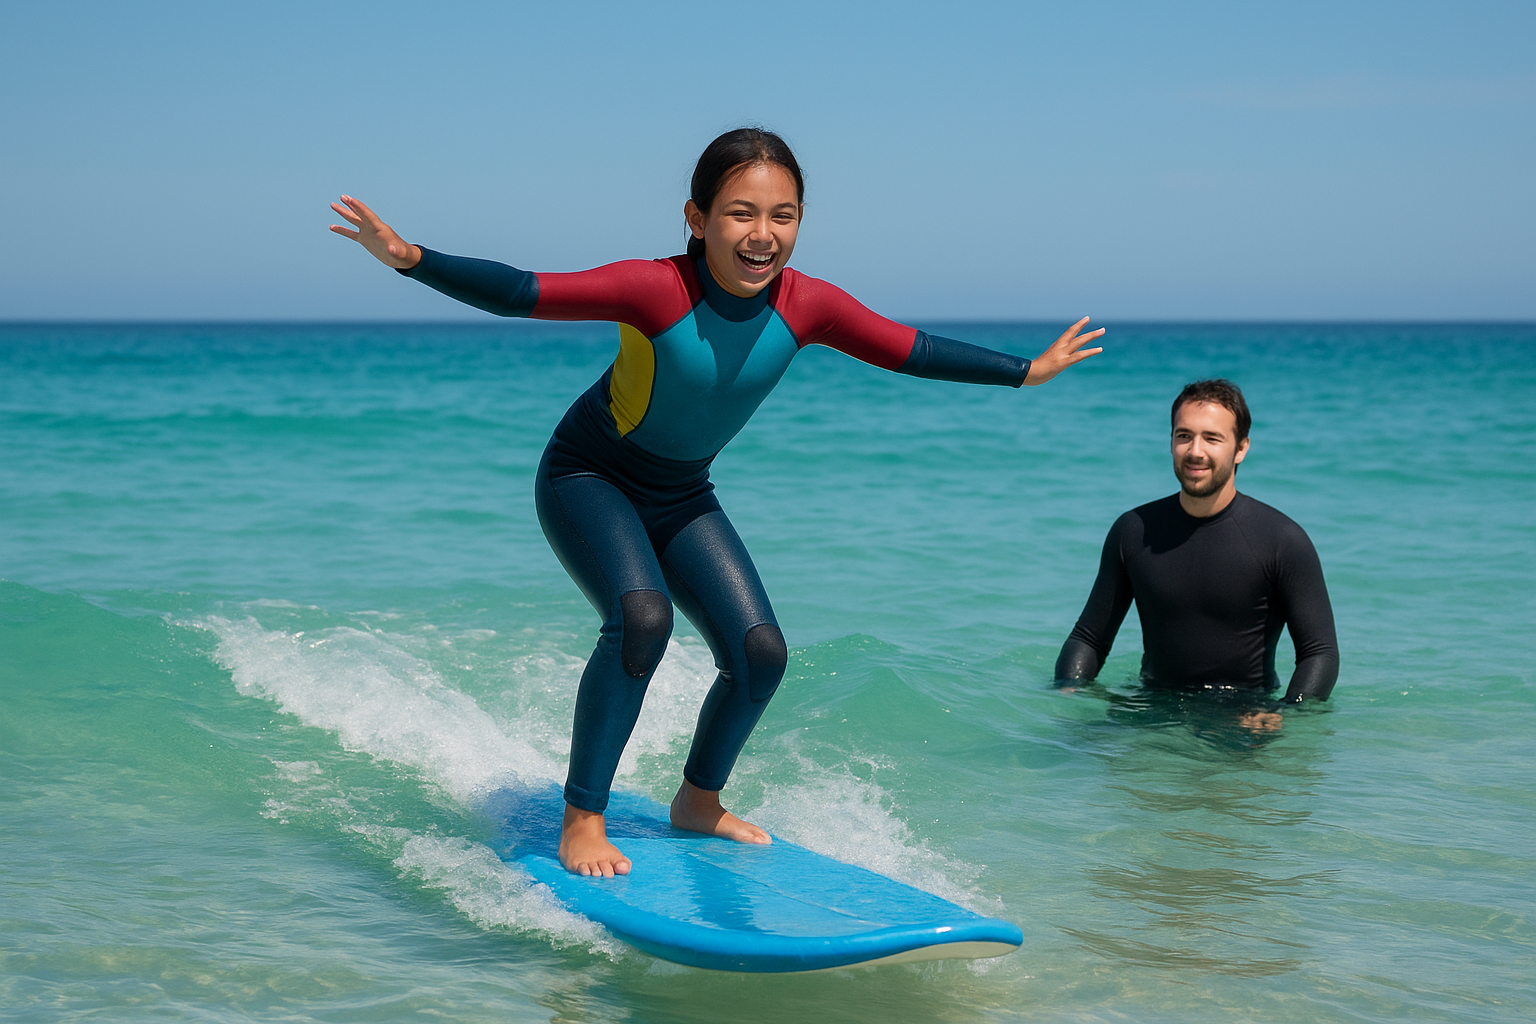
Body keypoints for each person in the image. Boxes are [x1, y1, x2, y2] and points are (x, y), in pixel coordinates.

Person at [332, 127, 1103, 877]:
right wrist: (410, 259)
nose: (763, 234)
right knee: (641, 621)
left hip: (681, 492)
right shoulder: (654, 288)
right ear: (698, 220)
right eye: (741, 213)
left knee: (760, 654)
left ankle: (698, 802)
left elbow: (910, 349)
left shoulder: (809, 306)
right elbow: (527, 292)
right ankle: (582, 817)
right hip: (587, 477)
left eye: (783, 215)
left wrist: (1024, 370)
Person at [1054, 379, 1338, 729]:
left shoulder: (1282, 540)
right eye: (1183, 436)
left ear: (1241, 448)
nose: (1195, 451)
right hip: (1151, 706)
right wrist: (1066, 695)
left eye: (1212, 438)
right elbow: (1089, 639)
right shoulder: (1133, 531)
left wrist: (1286, 711)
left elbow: (1319, 653)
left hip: (1242, 716)